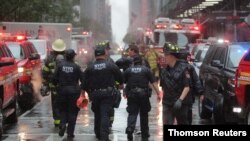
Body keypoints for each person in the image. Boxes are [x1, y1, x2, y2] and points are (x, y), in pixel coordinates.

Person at [82, 46, 123, 141]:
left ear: (95, 55)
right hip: (107, 94)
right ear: (105, 54)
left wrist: (83, 94)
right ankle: (104, 136)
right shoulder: (110, 65)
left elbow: (84, 83)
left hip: (94, 94)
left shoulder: (90, 67)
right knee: (105, 114)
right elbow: (120, 77)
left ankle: (97, 133)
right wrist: (120, 85)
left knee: (97, 113)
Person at [123, 56, 161, 141]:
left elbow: (123, 81)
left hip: (132, 94)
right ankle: (145, 135)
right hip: (143, 95)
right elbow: (154, 82)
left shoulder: (128, 70)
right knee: (144, 115)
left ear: (133, 62)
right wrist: (159, 93)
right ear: (142, 62)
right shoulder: (146, 70)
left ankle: (130, 129)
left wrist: (124, 92)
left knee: (132, 113)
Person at [52, 49, 84, 139]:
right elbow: (83, 80)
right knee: (73, 112)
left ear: (65, 56)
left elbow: (54, 78)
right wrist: (80, 89)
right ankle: (70, 134)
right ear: (73, 56)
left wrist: (56, 86)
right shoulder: (76, 67)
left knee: (63, 110)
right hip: (74, 92)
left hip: (62, 91)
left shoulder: (59, 66)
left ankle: (62, 125)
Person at [160, 42, 192, 125]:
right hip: (167, 103)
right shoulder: (163, 70)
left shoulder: (183, 68)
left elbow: (187, 86)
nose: (164, 57)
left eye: (166, 55)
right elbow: (163, 87)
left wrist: (180, 100)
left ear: (172, 56)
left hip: (180, 103)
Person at [42, 38, 66, 127]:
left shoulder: (49, 59)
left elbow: (45, 73)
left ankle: (57, 121)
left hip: (54, 87)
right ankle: (64, 120)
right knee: (65, 103)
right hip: (66, 87)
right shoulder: (68, 57)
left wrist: (46, 85)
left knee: (56, 104)